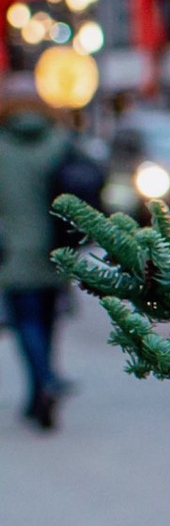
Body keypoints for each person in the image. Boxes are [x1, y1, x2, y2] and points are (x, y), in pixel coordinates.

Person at [0, 74, 76, 428]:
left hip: (12, 250)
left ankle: (43, 381)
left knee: (25, 322)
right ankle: (40, 393)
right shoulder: (59, 141)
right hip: (55, 250)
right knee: (46, 323)